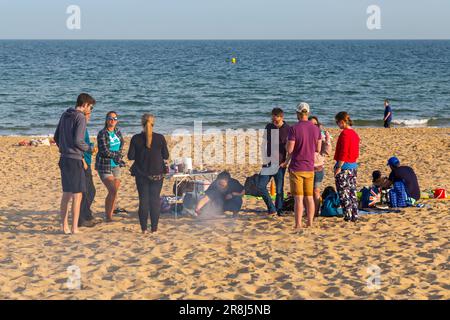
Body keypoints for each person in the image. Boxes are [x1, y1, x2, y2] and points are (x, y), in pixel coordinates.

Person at [54, 93, 95, 234]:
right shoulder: (80, 117)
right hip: (74, 159)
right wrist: (89, 148)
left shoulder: (65, 114)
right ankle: (74, 228)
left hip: (64, 158)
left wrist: (63, 148)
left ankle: (64, 226)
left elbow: (56, 136)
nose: (90, 110)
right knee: (77, 195)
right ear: (84, 104)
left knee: (66, 194)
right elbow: (79, 141)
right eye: (90, 107)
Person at [128, 114, 169, 234]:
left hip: (142, 174)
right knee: (155, 200)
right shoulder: (160, 138)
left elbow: (130, 156)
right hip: (157, 173)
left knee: (143, 201)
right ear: (153, 123)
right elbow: (166, 155)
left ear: (142, 123)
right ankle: (154, 229)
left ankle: (144, 229)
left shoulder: (136, 138)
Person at [283, 102, 321, 230]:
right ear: (308, 113)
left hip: (297, 167)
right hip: (310, 167)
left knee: (299, 198)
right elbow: (318, 148)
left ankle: (298, 224)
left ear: (298, 114)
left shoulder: (294, 128)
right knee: (309, 197)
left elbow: (289, 150)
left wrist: (288, 145)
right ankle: (310, 222)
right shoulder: (316, 129)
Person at [257, 107, 290, 216]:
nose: (274, 122)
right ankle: (272, 209)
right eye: (273, 120)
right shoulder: (269, 126)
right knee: (260, 186)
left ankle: (279, 211)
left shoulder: (288, 129)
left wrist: (286, 162)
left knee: (279, 190)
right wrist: (264, 158)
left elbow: (291, 148)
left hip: (280, 164)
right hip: (268, 163)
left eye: (276, 120)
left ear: (282, 117)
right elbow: (263, 144)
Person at [95, 111, 125, 222]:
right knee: (112, 190)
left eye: (115, 118)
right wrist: (117, 155)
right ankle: (108, 217)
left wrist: (119, 154)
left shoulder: (117, 131)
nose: (113, 120)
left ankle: (110, 212)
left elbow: (122, 143)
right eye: (110, 118)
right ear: (106, 120)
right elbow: (104, 151)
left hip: (116, 165)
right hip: (104, 165)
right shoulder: (102, 133)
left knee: (114, 191)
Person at [334, 111, 360, 222]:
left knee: (344, 193)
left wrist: (339, 167)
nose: (337, 125)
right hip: (353, 166)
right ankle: (355, 214)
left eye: (337, 122)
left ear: (342, 122)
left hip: (345, 167)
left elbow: (343, 152)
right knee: (352, 192)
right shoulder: (354, 133)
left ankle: (348, 216)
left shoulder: (345, 134)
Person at [78, 107, 98, 228]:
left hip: (87, 160)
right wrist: (82, 159)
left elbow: (83, 143)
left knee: (89, 191)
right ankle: (82, 218)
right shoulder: (81, 127)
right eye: (88, 114)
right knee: (88, 191)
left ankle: (87, 215)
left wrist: (91, 147)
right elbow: (77, 144)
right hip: (83, 162)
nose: (89, 116)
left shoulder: (84, 127)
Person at [309, 116, 332, 217]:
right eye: (310, 124)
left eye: (315, 124)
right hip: (307, 168)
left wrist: (327, 139)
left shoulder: (321, 136)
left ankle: (315, 213)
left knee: (316, 191)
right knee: (307, 193)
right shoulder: (305, 135)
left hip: (318, 168)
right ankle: (309, 211)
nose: (312, 126)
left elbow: (327, 152)